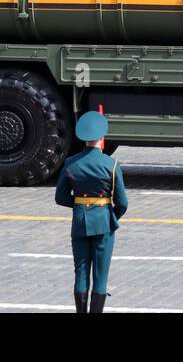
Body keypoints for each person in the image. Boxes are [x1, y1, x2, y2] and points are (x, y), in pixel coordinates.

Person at [54, 111, 128, 313]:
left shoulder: (71, 164)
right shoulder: (111, 165)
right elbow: (122, 202)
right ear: (102, 138)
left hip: (79, 222)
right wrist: (109, 214)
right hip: (104, 221)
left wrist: (79, 205)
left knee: (81, 273)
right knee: (101, 276)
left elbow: (60, 197)